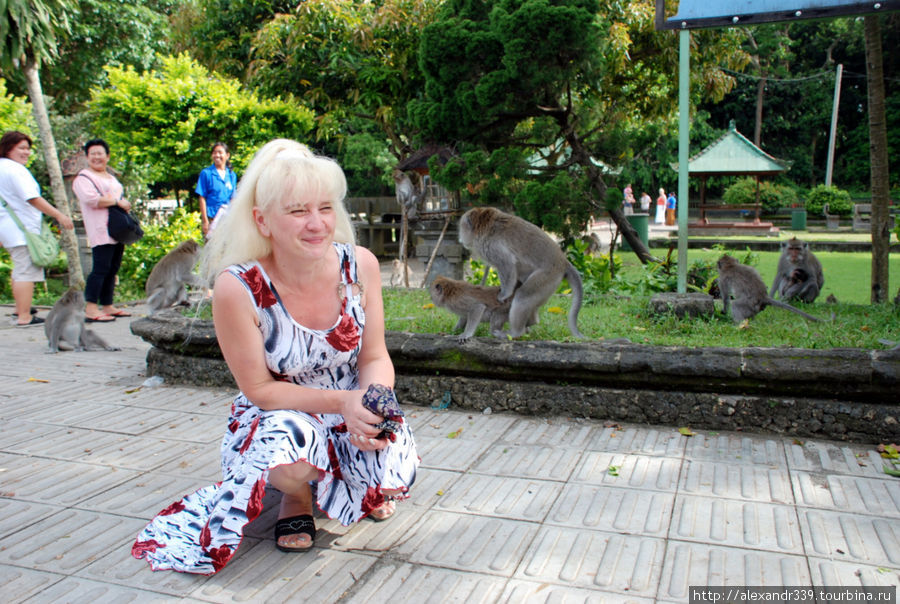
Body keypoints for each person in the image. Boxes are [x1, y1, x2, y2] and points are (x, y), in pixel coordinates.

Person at [132, 139, 419, 575]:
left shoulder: (360, 265)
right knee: (289, 459)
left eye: (325, 208)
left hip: (350, 399)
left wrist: (372, 402)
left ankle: (352, 479)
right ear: (262, 221)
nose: (317, 224)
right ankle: (296, 495)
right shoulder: (239, 287)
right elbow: (261, 390)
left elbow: (374, 355)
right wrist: (343, 404)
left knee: (391, 453)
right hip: (281, 411)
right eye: (298, 211)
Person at [0, 131, 75, 326]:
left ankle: (20, 310)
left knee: (19, 269)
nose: (26, 152)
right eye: (21, 148)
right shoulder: (15, 170)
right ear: (8, 149)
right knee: (26, 271)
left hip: (9, 228)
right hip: (22, 229)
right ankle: (24, 316)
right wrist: (58, 214)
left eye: (28, 149)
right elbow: (32, 198)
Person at [72, 138, 132, 322]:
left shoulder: (111, 178)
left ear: (107, 156)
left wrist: (121, 202)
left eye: (100, 153)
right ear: (87, 157)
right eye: (93, 154)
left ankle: (107, 304)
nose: (97, 157)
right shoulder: (83, 178)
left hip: (117, 229)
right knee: (100, 268)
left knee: (113, 268)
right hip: (100, 229)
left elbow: (117, 198)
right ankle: (90, 307)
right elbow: (91, 199)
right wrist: (116, 201)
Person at [195, 142, 237, 236]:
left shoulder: (231, 175)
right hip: (212, 219)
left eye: (220, 152)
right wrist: (205, 221)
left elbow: (233, 198)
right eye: (214, 153)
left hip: (227, 220)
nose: (217, 155)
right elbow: (202, 197)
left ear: (227, 155)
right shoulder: (206, 173)